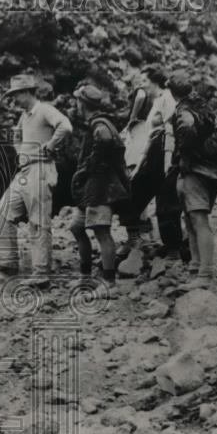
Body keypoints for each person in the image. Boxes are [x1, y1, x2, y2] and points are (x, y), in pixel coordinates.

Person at [0, 74, 72, 277]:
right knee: (1, 212)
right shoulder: (25, 115)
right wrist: (20, 151)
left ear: (27, 92)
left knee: (38, 220)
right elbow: (17, 135)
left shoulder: (44, 109)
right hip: (25, 171)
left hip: (41, 169)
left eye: (16, 94)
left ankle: (41, 271)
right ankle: (8, 261)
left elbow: (66, 126)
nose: (14, 100)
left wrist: (51, 145)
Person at [116, 65, 185, 263]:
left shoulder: (167, 98)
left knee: (166, 202)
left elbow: (171, 130)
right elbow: (150, 135)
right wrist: (139, 165)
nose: (142, 85)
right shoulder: (156, 101)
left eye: (145, 81)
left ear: (154, 82)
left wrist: (168, 164)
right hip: (154, 152)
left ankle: (173, 251)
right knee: (133, 193)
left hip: (166, 153)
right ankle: (137, 239)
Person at [169, 73, 217, 289]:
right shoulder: (203, 105)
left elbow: (187, 129)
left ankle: (204, 274)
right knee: (193, 220)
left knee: (199, 221)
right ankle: (196, 267)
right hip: (214, 172)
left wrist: (182, 156)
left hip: (196, 172)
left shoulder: (184, 111)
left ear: (172, 92)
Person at [69, 85, 132, 285]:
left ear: (82, 103)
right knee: (77, 227)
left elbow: (104, 141)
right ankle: (85, 275)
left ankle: (109, 281)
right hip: (92, 188)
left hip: (101, 188)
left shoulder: (100, 125)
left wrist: (91, 165)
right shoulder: (97, 122)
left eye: (77, 101)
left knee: (101, 232)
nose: (75, 105)